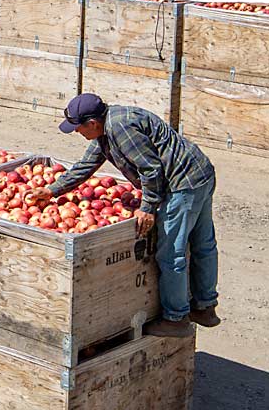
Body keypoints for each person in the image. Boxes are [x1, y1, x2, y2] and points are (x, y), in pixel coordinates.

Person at [28, 93, 221, 338]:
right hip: (199, 172)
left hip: (183, 184)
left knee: (172, 252)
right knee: (204, 244)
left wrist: (148, 208)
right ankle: (205, 306)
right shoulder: (107, 128)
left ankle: (176, 319)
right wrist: (51, 190)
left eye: (78, 128)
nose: (77, 133)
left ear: (92, 123)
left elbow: (151, 170)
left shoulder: (120, 128)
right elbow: (86, 165)